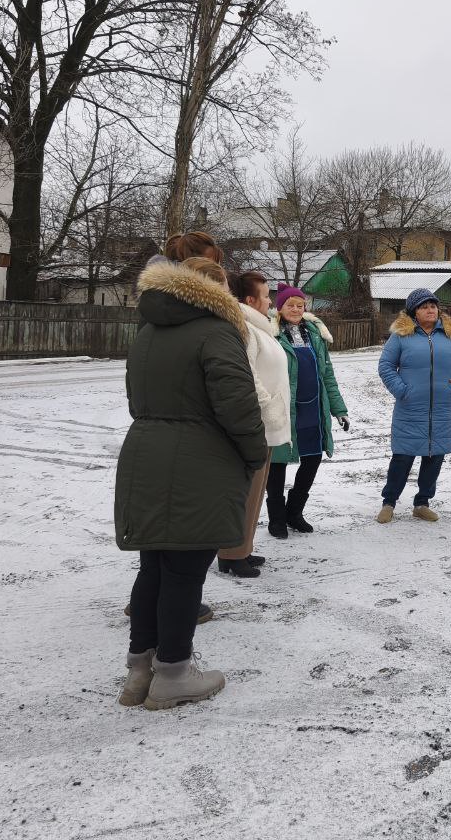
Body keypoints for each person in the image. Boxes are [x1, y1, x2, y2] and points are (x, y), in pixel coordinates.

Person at [114, 257, 265, 709]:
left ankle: (140, 673)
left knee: (154, 567)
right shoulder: (217, 332)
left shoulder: (147, 333)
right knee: (184, 572)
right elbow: (237, 405)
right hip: (200, 461)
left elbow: (134, 398)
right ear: (216, 290)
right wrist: (254, 454)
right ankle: (175, 673)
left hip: (145, 453)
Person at [214, 270, 292, 577]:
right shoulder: (244, 328)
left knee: (256, 491)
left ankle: (242, 549)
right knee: (245, 492)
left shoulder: (261, 328)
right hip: (255, 422)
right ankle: (230, 555)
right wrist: (270, 408)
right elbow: (246, 374)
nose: (270, 300)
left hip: (266, 425)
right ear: (250, 300)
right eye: (265, 295)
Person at [375, 288, 451, 524]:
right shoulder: (401, 336)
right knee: (402, 458)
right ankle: (389, 503)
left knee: (434, 456)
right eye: (424, 306)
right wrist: (402, 390)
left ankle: (422, 503)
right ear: (414, 312)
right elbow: (385, 366)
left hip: (442, 408)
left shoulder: (450, 336)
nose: (430, 310)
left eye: (433, 306)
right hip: (410, 408)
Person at [267, 284, 349, 538]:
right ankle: (277, 519)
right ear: (279, 307)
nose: (295, 309)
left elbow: (328, 375)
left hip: (313, 409)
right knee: (278, 464)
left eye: (300, 305)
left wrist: (339, 410)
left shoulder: (314, 334)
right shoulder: (271, 334)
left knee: (312, 459)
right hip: (284, 411)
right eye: (290, 305)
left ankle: (294, 512)